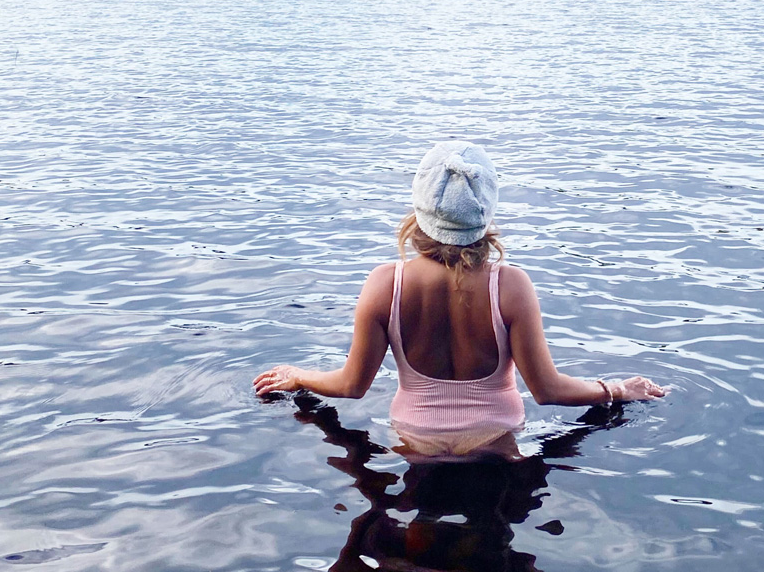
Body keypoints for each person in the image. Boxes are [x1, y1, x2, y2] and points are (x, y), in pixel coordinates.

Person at [253, 141, 664, 452]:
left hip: (415, 438)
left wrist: (299, 376)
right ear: (486, 213)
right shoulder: (511, 286)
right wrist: (616, 389)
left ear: (419, 208)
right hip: (498, 438)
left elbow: (351, 385)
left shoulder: (384, 284)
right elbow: (548, 390)